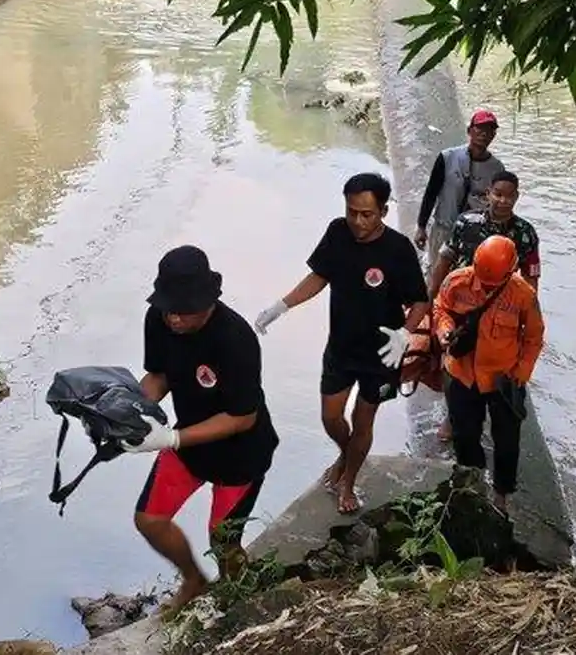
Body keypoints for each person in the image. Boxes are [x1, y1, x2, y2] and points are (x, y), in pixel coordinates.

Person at [252, 173, 429, 514]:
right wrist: (281, 306)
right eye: (352, 212)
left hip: (382, 353)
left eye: (367, 214)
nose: (358, 222)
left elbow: (420, 302)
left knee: (364, 422)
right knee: (331, 417)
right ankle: (347, 454)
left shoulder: (397, 249)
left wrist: (404, 333)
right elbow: (319, 276)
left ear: (384, 211)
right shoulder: (337, 232)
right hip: (342, 347)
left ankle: (348, 481)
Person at [125, 244, 280, 616]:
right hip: (191, 443)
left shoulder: (235, 338)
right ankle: (193, 580)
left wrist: (174, 438)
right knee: (149, 519)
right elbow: (160, 375)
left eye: (183, 311)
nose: (174, 319)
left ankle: (237, 601)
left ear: (208, 301)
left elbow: (243, 416)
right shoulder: (158, 319)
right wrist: (133, 414)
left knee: (223, 540)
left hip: (241, 453)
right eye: (169, 309)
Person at [432, 235, 544, 512]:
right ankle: (472, 482)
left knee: (507, 440)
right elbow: (440, 307)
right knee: (465, 434)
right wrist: (444, 330)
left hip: (503, 377)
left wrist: (522, 372)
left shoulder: (523, 295)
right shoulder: (457, 281)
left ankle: (502, 494)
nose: (484, 287)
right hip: (463, 373)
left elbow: (533, 336)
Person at [428, 170, 541, 442]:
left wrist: (528, 310)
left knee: (494, 362)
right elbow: (446, 258)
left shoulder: (525, 233)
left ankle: (489, 409)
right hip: (463, 300)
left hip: (502, 308)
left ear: (517, 197)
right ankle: (453, 416)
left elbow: (532, 275)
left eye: (509, 196)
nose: (502, 201)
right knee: (456, 358)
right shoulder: (467, 222)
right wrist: (430, 295)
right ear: (488, 193)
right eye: (498, 194)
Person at [413, 108, 507, 266]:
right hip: (444, 229)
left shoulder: (497, 169)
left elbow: (499, 205)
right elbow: (431, 193)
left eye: (490, 130)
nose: (484, 133)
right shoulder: (447, 157)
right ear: (469, 130)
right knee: (436, 277)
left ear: (494, 135)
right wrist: (421, 227)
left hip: (476, 234)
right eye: (480, 128)